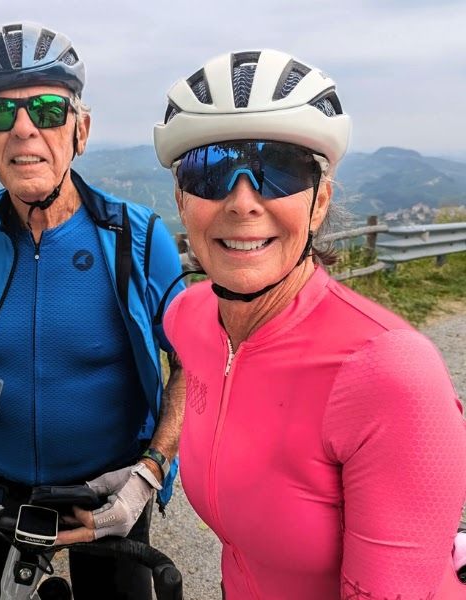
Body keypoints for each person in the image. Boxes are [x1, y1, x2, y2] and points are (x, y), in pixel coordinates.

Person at [153, 49, 466, 599]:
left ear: (320, 201)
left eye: (280, 171)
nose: (243, 201)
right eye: (210, 171)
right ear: (182, 200)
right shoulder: (187, 316)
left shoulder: (390, 373)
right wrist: (145, 473)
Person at [0, 22, 186, 600]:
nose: (24, 129)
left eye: (49, 109)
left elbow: (194, 365)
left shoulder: (137, 237)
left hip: (109, 494)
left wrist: (149, 474)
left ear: (80, 131)